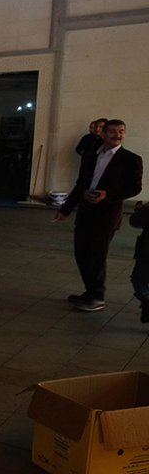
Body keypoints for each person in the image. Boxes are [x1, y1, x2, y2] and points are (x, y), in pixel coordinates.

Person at [55, 119, 143, 311]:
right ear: (103, 134)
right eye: (113, 131)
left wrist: (107, 195)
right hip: (86, 212)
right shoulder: (90, 156)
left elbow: (135, 187)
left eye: (121, 132)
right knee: (81, 254)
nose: (117, 135)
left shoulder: (130, 159)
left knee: (95, 256)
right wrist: (65, 209)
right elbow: (81, 184)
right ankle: (89, 290)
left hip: (107, 215)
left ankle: (97, 296)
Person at [131, 201, 149, 323]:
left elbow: (135, 221)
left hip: (146, 253)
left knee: (139, 279)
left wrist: (142, 209)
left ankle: (147, 301)